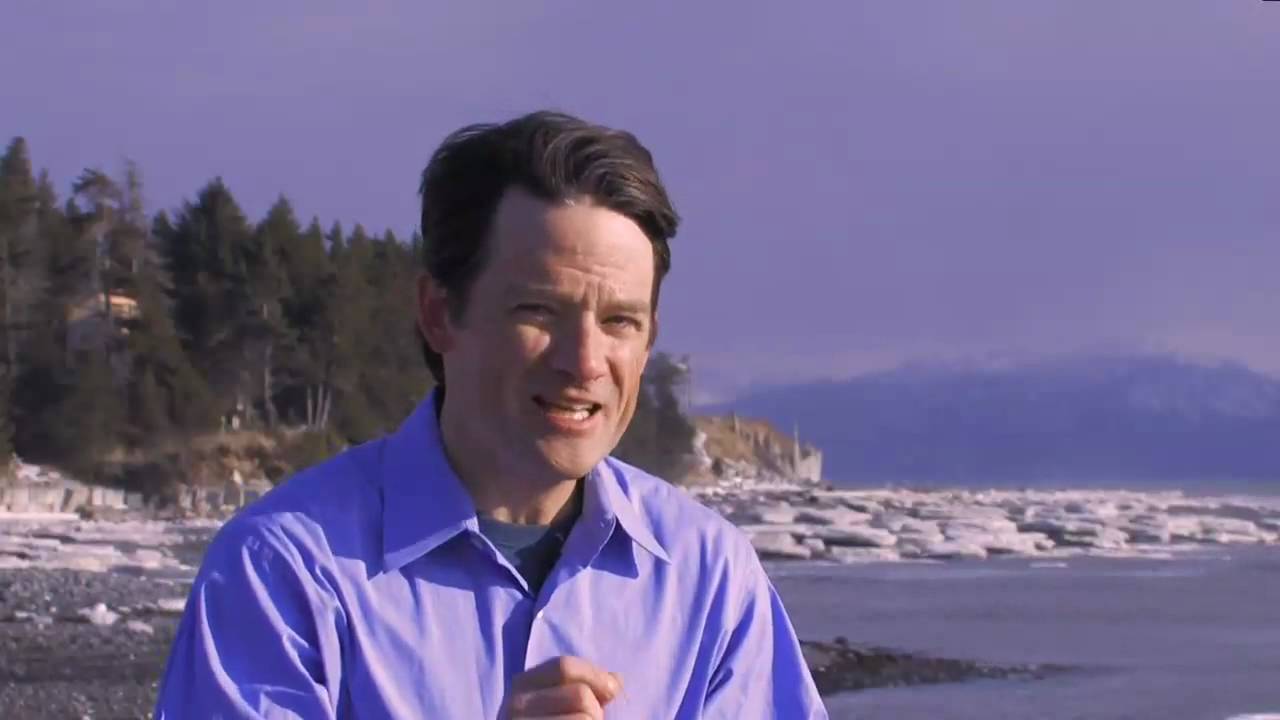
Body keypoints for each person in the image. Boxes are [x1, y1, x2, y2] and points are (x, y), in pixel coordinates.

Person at [154, 110, 827, 719]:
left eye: (619, 321)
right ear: (439, 314)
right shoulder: (284, 572)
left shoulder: (708, 575)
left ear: (648, 341)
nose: (584, 362)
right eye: (539, 311)